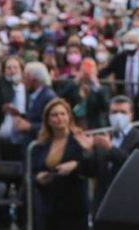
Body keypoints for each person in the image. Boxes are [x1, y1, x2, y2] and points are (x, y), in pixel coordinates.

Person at [30, 97, 94, 230]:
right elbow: (33, 171)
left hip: (74, 208)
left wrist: (77, 164)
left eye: (63, 114)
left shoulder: (79, 140)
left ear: (69, 117)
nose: (59, 118)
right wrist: (38, 178)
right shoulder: (40, 145)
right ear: (48, 120)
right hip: (48, 207)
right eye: (54, 115)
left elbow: (92, 169)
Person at [90, 95, 139, 212]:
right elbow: (96, 170)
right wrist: (87, 151)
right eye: (114, 112)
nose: (118, 116)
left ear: (131, 115)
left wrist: (111, 149)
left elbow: (136, 166)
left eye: (123, 112)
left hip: (127, 200)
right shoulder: (106, 137)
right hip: (102, 201)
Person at [99, 32, 139, 101]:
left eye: (131, 42)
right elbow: (106, 71)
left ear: (138, 44)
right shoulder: (119, 58)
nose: (129, 45)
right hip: (123, 97)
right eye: (127, 42)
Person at [15, 62, 57, 148]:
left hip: (41, 146)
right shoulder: (29, 94)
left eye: (25, 77)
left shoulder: (49, 97)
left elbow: (54, 124)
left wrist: (30, 127)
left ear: (33, 79)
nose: (22, 81)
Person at [59, 58, 109, 129]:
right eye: (85, 67)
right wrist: (75, 81)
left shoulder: (102, 89)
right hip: (75, 123)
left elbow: (106, 106)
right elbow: (61, 98)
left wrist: (96, 86)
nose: (88, 71)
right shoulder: (73, 86)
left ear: (96, 71)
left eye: (91, 67)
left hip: (94, 125)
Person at [0, 56, 27, 161]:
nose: (12, 71)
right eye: (8, 68)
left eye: (15, 67)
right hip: (3, 137)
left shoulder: (27, 88)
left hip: (23, 135)